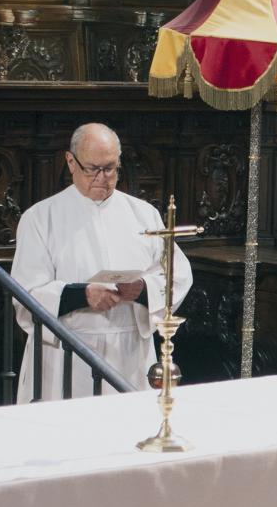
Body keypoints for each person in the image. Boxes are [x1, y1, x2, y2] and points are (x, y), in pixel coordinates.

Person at [11, 123, 192, 403]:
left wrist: (142, 289)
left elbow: (177, 276)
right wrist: (83, 295)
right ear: (71, 162)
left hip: (129, 348)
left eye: (110, 169)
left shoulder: (144, 214)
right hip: (67, 350)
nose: (102, 178)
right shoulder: (41, 218)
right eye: (92, 169)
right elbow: (26, 293)